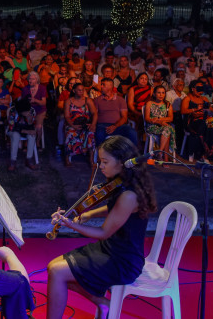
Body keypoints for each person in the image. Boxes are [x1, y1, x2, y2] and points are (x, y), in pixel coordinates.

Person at [46, 135, 157, 319]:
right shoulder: (122, 183)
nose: (100, 166)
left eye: (105, 161)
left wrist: (71, 224)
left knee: (57, 272)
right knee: (53, 268)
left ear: (122, 162)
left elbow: (104, 232)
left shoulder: (129, 195)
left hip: (122, 260)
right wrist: (89, 213)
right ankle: (104, 304)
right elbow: (115, 210)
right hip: (111, 249)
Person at [180, 81, 213, 161]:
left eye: (202, 89)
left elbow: (211, 111)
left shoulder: (204, 98)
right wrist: (195, 109)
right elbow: (183, 111)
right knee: (207, 125)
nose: (201, 91)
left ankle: (212, 152)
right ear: (193, 89)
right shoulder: (187, 98)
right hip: (192, 122)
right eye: (198, 89)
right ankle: (206, 154)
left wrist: (207, 110)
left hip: (204, 120)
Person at [92, 78, 138, 147]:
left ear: (110, 86)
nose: (101, 86)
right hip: (102, 126)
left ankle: (133, 155)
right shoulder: (97, 100)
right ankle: (101, 155)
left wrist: (115, 126)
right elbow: (94, 115)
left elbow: (124, 117)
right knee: (99, 133)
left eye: (103, 85)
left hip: (118, 126)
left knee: (132, 132)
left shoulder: (120, 100)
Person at [63, 83, 97, 166]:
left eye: (82, 90)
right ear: (74, 91)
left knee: (90, 133)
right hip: (73, 124)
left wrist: (93, 124)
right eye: (79, 90)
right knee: (70, 133)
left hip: (85, 124)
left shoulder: (88, 100)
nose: (81, 92)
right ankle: (67, 157)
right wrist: (73, 125)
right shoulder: (68, 101)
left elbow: (94, 113)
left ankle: (91, 159)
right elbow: (67, 116)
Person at [143, 85, 177, 154]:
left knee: (167, 129)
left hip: (163, 126)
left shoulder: (167, 104)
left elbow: (171, 118)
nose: (161, 95)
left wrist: (158, 119)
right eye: (159, 93)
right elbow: (147, 118)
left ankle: (160, 153)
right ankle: (164, 156)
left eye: (163, 93)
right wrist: (158, 122)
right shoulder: (149, 103)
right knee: (168, 130)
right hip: (152, 126)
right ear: (154, 94)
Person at [8, 98, 38, 171]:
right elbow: (12, 127)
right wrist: (26, 131)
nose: (27, 111)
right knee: (15, 135)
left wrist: (29, 118)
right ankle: (13, 161)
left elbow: (33, 125)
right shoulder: (13, 112)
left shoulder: (31, 111)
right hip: (14, 130)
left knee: (32, 136)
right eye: (25, 111)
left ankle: (29, 159)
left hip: (26, 129)